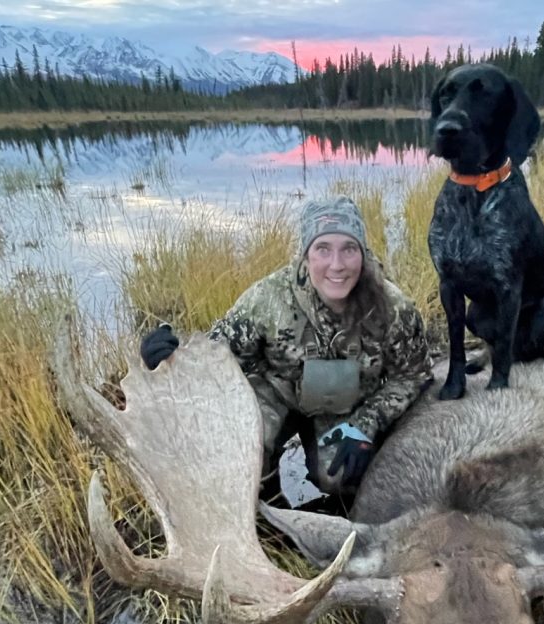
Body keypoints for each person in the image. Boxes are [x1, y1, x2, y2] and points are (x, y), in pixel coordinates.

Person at [139, 196, 433, 494]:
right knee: (242, 464)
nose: (337, 265)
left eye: (349, 249)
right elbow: (219, 355)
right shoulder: (267, 300)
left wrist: (365, 425)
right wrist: (172, 356)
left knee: (340, 476)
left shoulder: (394, 308)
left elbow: (414, 375)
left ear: (363, 254)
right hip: (277, 395)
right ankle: (266, 490)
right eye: (323, 249)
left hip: (347, 406)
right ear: (305, 256)